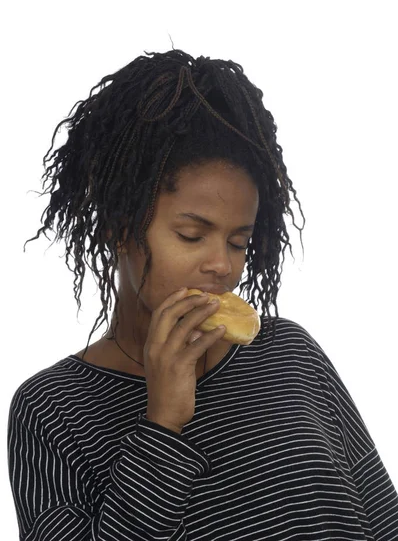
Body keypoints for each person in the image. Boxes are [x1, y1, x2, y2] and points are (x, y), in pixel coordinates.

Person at [7, 49, 398, 540]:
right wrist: (162, 423)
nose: (223, 264)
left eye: (239, 241)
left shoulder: (289, 354)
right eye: (192, 235)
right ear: (120, 228)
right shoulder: (54, 409)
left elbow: (384, 522)